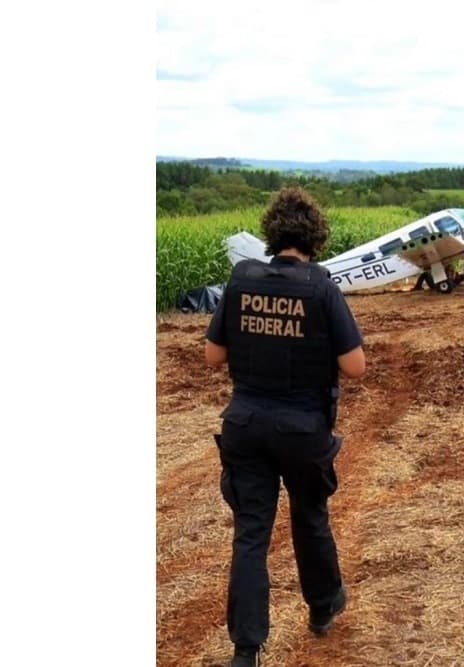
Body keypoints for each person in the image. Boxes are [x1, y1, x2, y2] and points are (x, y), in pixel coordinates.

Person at [204, 186, 366, 667]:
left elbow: (213, 356)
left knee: (251, 533)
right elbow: (355, 366)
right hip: (301, 427)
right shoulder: (320, 285)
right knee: (309, 515)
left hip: (245, 422)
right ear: (315, 236)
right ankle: (322, 607)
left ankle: (246, 648)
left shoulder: (241, 280)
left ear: (271, 233)